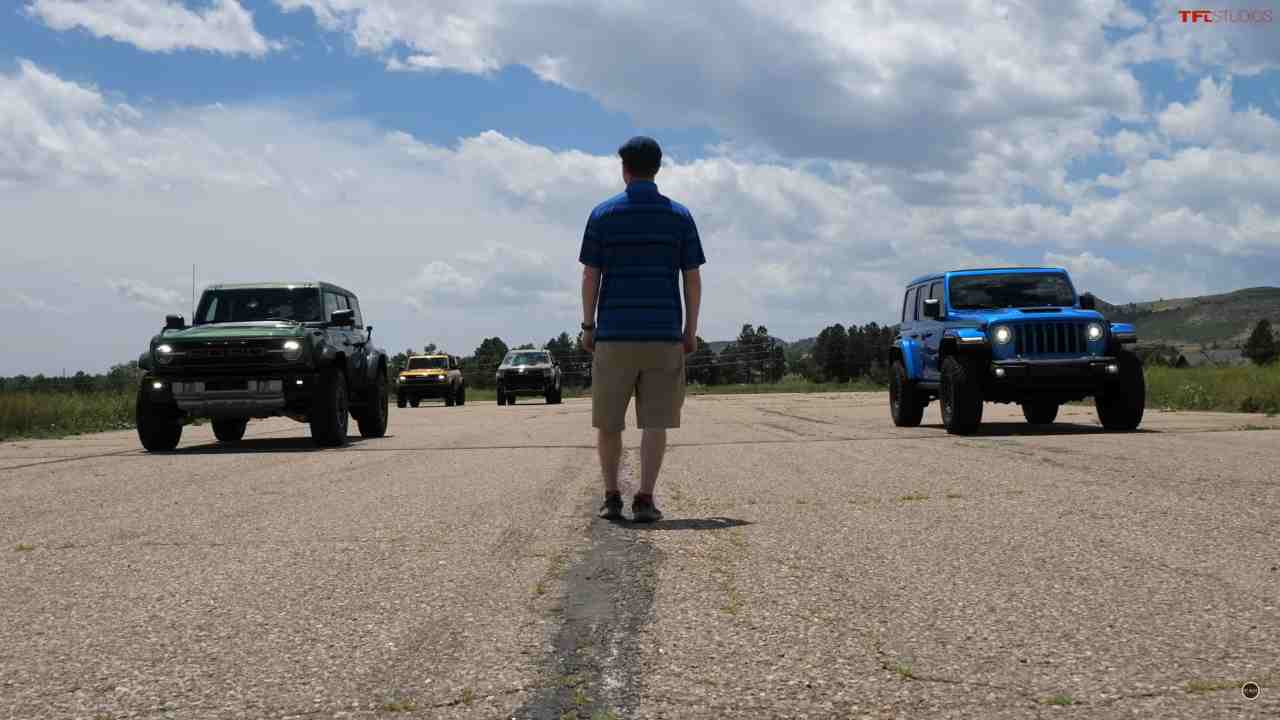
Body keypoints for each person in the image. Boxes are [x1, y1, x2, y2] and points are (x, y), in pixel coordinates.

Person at [579, 136, 705, 523]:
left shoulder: (602, 215)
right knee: (655, 423)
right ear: (658, 168)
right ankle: (646, 499)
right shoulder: (680, 217)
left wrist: (588, 326)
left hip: (614, 335)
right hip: (663, 334)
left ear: (625, 169)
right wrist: (690, 330)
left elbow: (590, 274)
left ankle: (612, 496)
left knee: (609, 423)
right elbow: (692, 278)